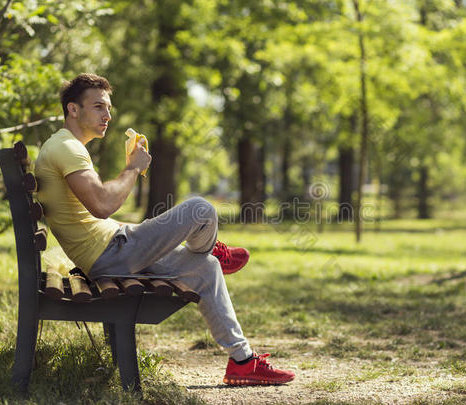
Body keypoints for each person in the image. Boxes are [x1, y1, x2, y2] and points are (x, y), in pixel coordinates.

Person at [35, 73, 295, 386]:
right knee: (200, 208)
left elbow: (93, 216)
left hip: (113, 248)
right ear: (73, 110)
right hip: (111, 256)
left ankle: (241, 360)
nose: (108, 115)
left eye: (109, 107)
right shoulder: (67, 148)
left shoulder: (64, 146)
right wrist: (133, 167)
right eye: (98, 106)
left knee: (207, 268)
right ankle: (208, 246)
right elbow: (102, 205)